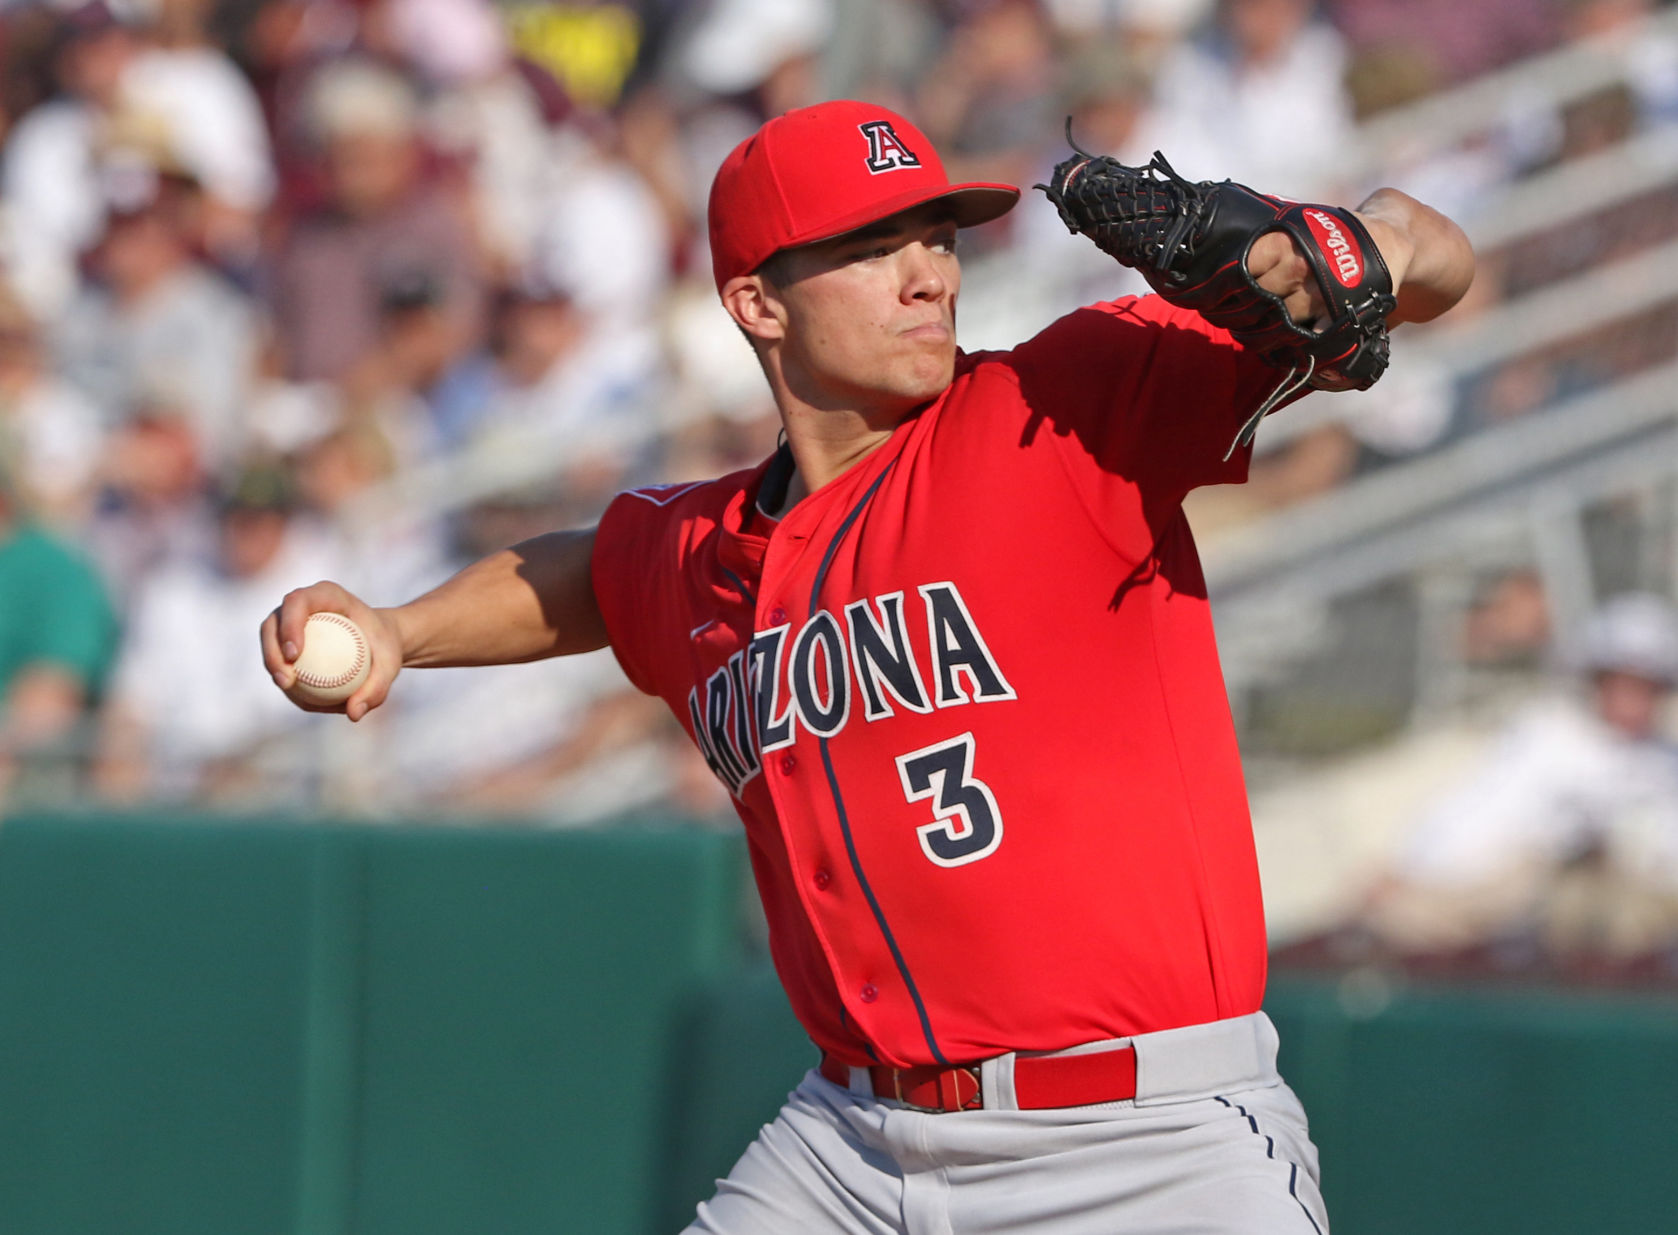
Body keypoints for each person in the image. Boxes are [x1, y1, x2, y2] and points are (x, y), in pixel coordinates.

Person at [263, 100, 1474, 1233]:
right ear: (757, 303)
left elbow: (1426, 257)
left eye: (936, 235)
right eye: (872, 245)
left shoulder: (1061, 411)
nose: (929, 272)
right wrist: (398, 630)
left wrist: (1323, 249)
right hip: (852, 1144)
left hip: (1141, 1138)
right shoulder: (703, 548)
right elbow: (584, 572)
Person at [1363, 592, 1678, 963]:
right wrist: (1407, 866)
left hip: (1626, 929)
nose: (1632, 699)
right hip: (1521, 911)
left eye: (1645, 686)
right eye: (1622, 682)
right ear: (1597, 680)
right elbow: (1479, 811)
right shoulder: (1550, 737)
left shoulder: (1664, 762)